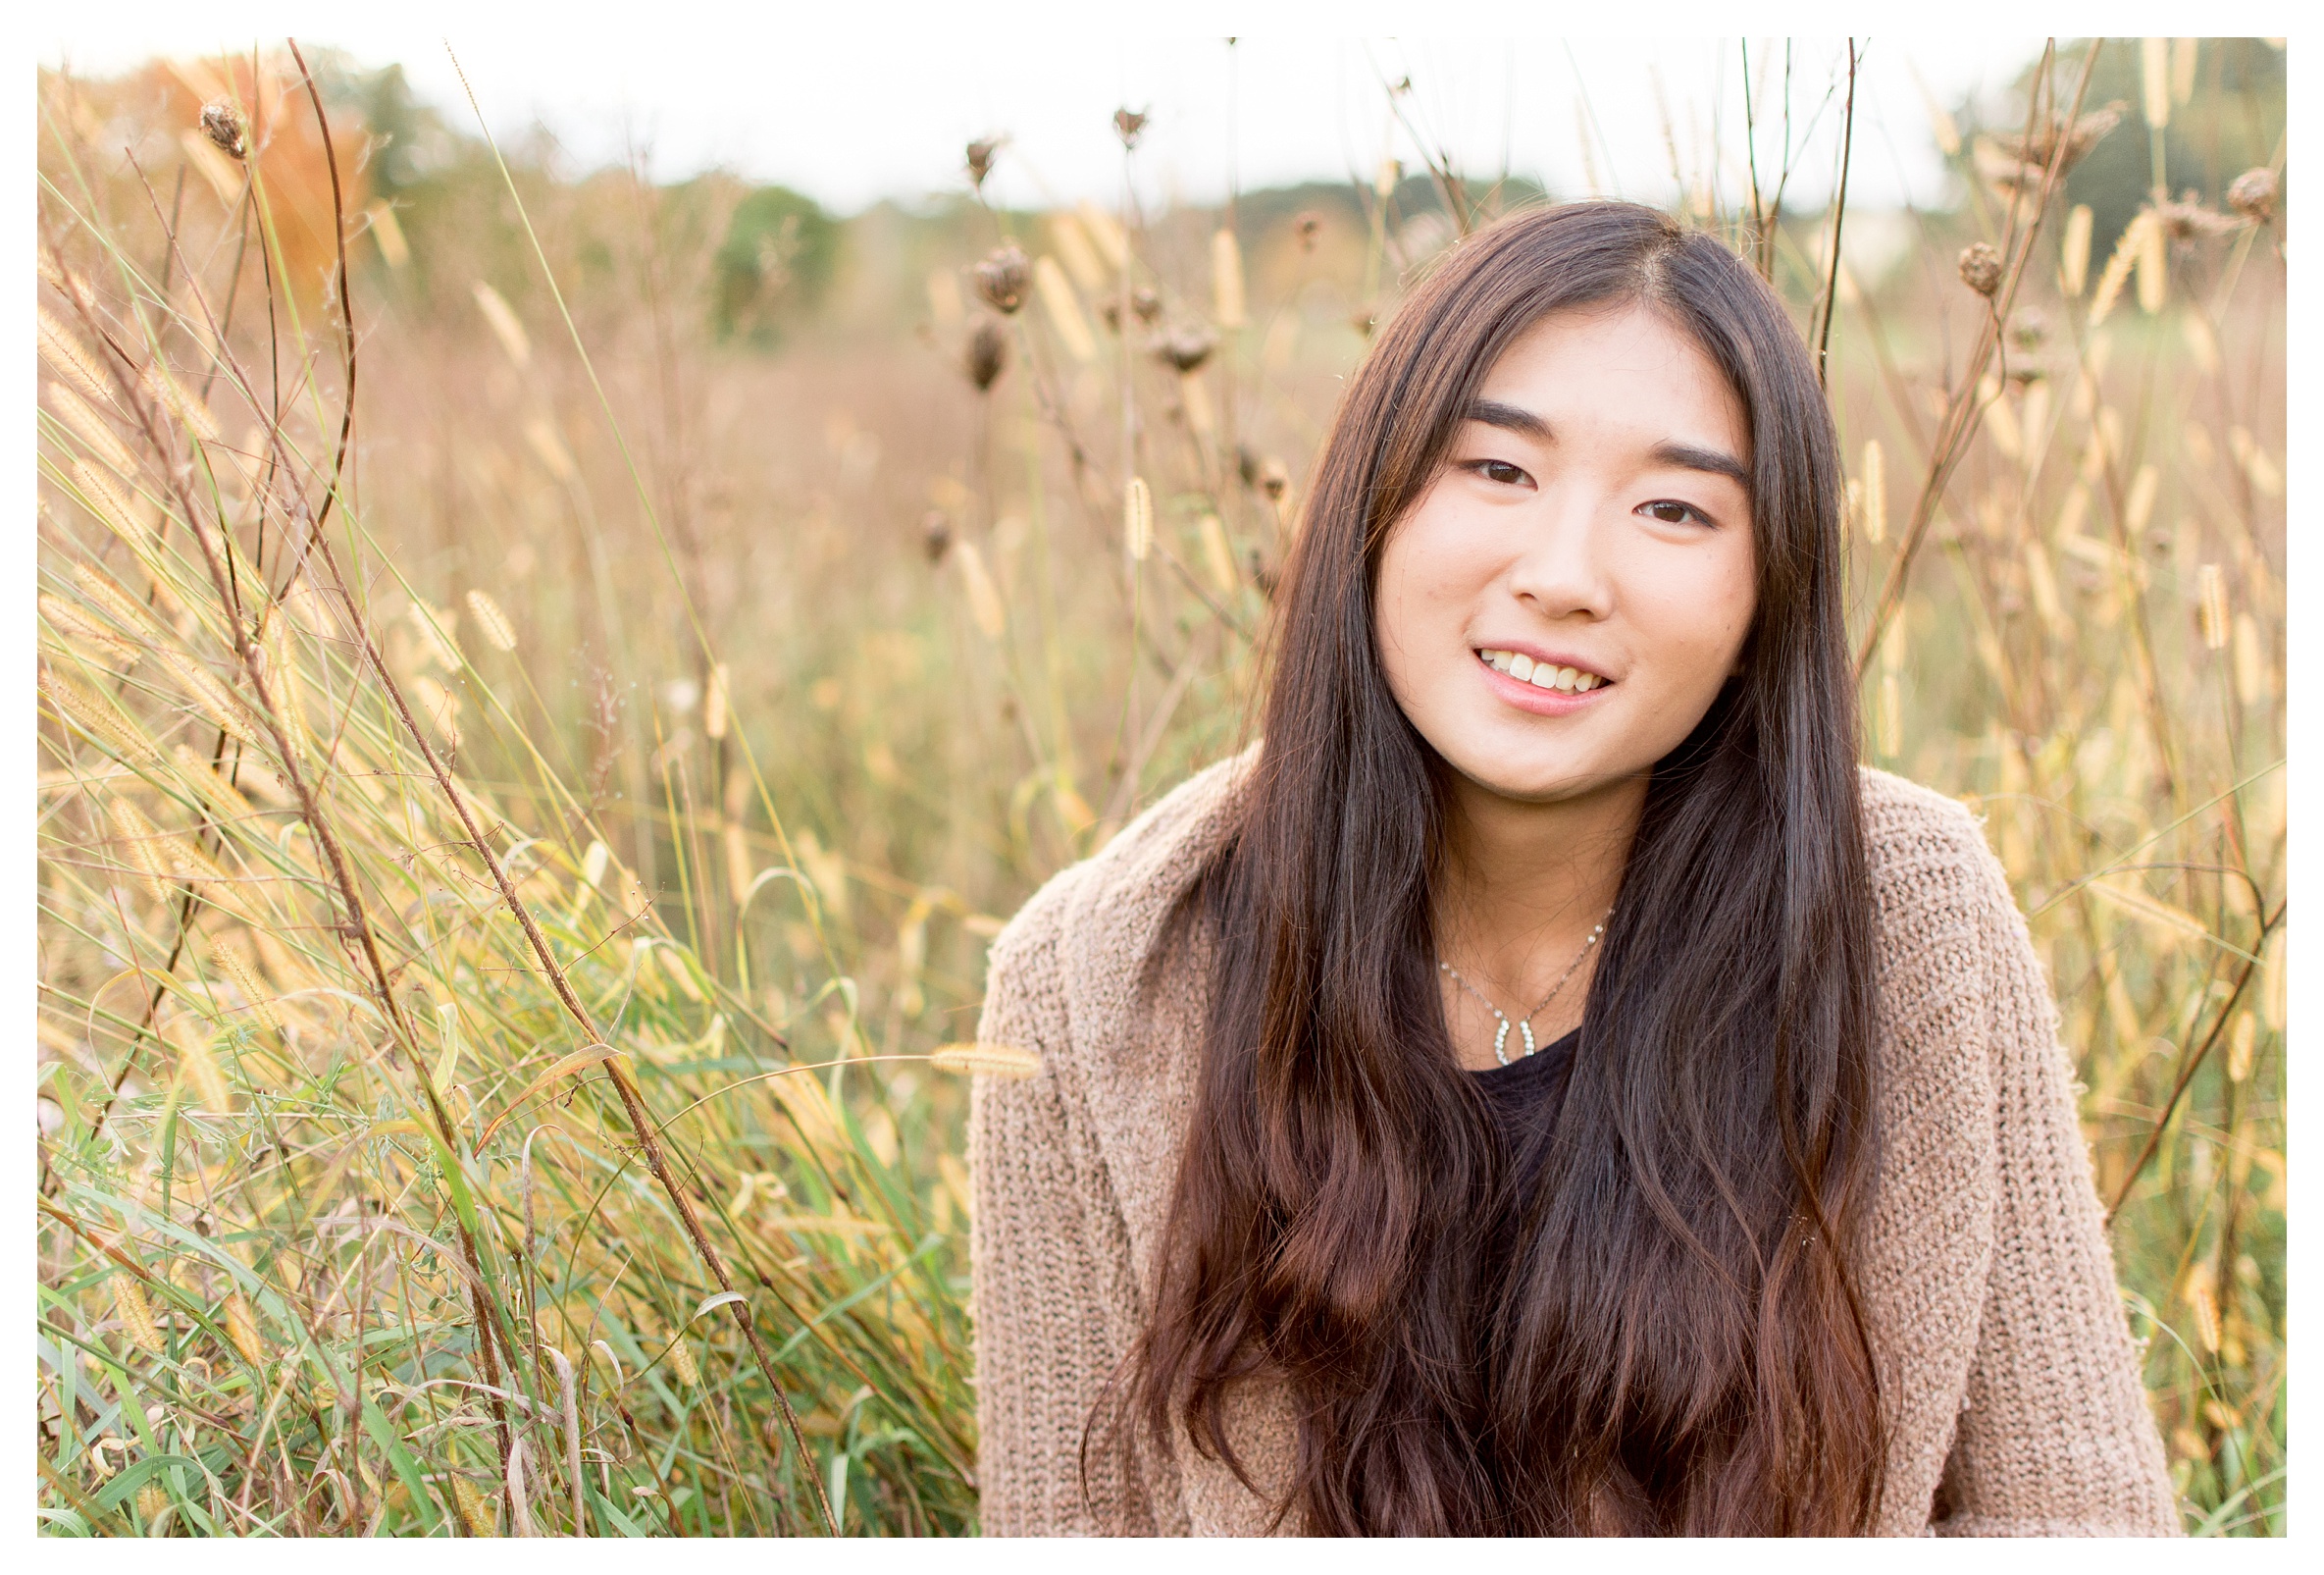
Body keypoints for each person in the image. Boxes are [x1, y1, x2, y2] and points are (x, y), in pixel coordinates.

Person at [966, 201, 2177, 1537]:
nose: (1562, 574)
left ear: (1763, 590)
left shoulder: (1904, 914)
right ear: (1371, 501)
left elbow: (2079, 1523)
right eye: (1495, 469)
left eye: (1672, 506)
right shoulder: (1099, 980)